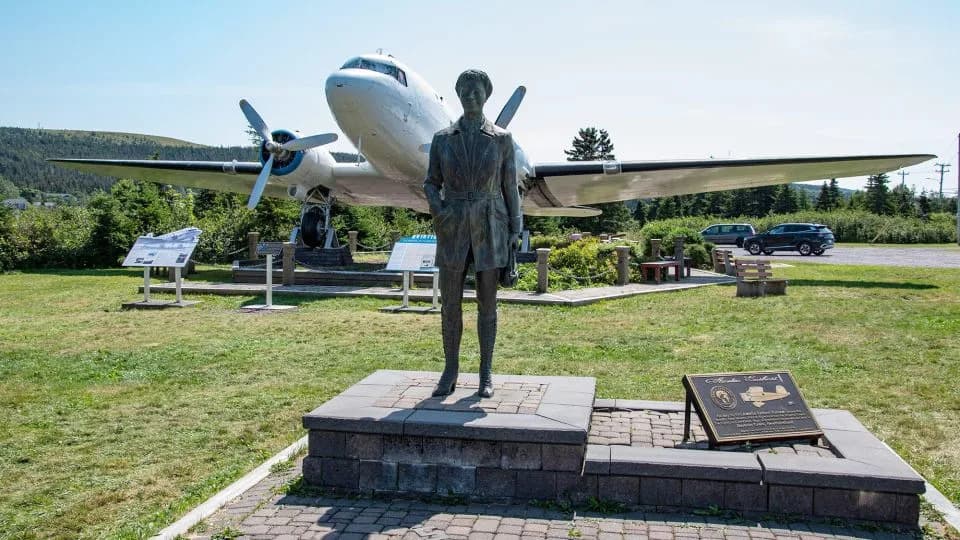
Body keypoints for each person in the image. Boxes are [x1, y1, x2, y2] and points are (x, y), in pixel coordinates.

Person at [423, 69, 522, 398]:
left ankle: (485, 373)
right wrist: (440, 212)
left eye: (476, 90)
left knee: (487, 305)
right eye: (464, 90)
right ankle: (450, 369)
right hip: (453, 228)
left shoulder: (502, 139)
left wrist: (516, 228)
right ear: (458, 95)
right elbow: (430, 182)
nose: (470, 96)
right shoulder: (442, 139)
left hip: (490, 225)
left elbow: (510, 186)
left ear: (486, 94)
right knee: (450, 304)